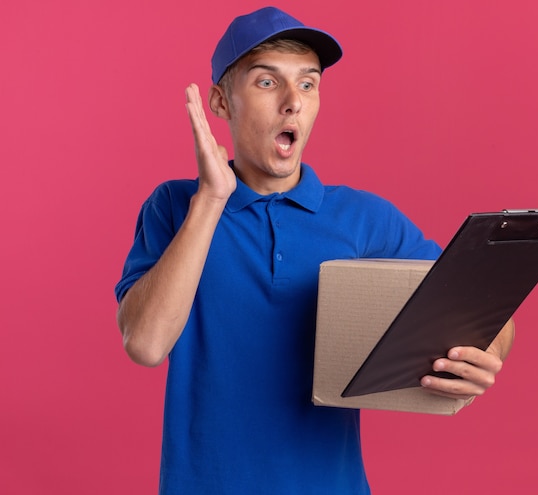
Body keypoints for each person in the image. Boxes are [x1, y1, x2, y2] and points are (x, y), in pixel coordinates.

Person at [115, 6, 514, 494]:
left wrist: (487, 352)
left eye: (307, 84)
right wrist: (211, 199)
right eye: (267, 82)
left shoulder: (365, 219)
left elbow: (485, 305)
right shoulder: (176, 206)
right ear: (221, 102)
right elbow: (145, 344)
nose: (292, 103)